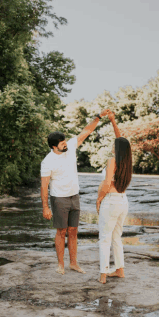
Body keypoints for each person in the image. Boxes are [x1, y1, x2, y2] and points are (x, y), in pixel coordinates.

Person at [41, 109, 111, 275]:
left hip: (74, 196)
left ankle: (73, 263)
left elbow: (86, 131)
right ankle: (60, 265)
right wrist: (45, 207)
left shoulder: (70, 147)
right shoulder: (47, 162)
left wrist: (99, 117)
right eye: (61, 143)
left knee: (73, 231)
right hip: (58, 198)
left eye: (65, 141)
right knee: (61, 231)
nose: (65, 144)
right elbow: (44, 186)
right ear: (54, 146)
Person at [96, 112, 132, 284]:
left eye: (113, 145)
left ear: (117, 149)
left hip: (110, 201)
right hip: (123, 201)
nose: (112, 145)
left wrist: (98, 199)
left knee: (104, 237)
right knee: (116, 237)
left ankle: (103, 274)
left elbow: (107, 183)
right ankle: (119, 270)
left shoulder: (112, 161)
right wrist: (113, 121)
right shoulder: (126, 161)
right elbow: (122, 140)